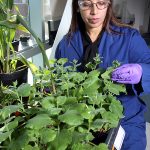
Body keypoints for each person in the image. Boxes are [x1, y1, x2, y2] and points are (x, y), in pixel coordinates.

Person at [55, 0, 150, 149]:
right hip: (82, 123)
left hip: (125, 120)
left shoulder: (130, 38)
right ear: (77, 7)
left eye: (101, 3)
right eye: (86, 4)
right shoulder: (65, 45)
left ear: (108, 5)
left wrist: (141, 72)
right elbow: (60, 86)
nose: (94, 11)